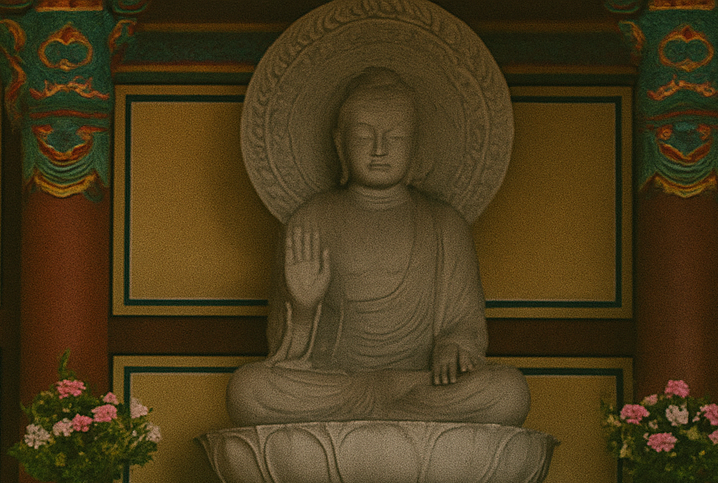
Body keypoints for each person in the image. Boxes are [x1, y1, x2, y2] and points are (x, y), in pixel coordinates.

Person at [227, 67, 530, 427]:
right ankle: (400, 430)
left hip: (416, 386)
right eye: (362, 137)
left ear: (417, 146)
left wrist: (456, 345)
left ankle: (378, 426)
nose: (379, 149)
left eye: (397, 137)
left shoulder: (444, 224)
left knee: (508, 392)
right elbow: (282, 355)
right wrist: (304, 310)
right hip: (335, 387)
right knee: (248, 390)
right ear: (339, 144)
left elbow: (465, 323)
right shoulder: (311, 219)